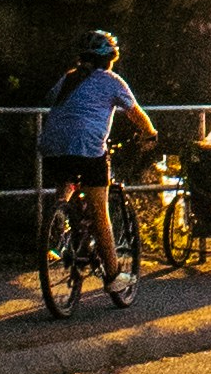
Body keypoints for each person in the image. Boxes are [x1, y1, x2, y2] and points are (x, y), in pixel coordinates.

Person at [40, 30, 148, 301]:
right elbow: (136, 114)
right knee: (100, 211)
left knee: (65, 185)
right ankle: (112, 276)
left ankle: (55, 233)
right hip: (89, 148)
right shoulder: (112, 81)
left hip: (53, 145)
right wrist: (151, 134)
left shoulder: (69, 78)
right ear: (111, 59)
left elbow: (50, 100)